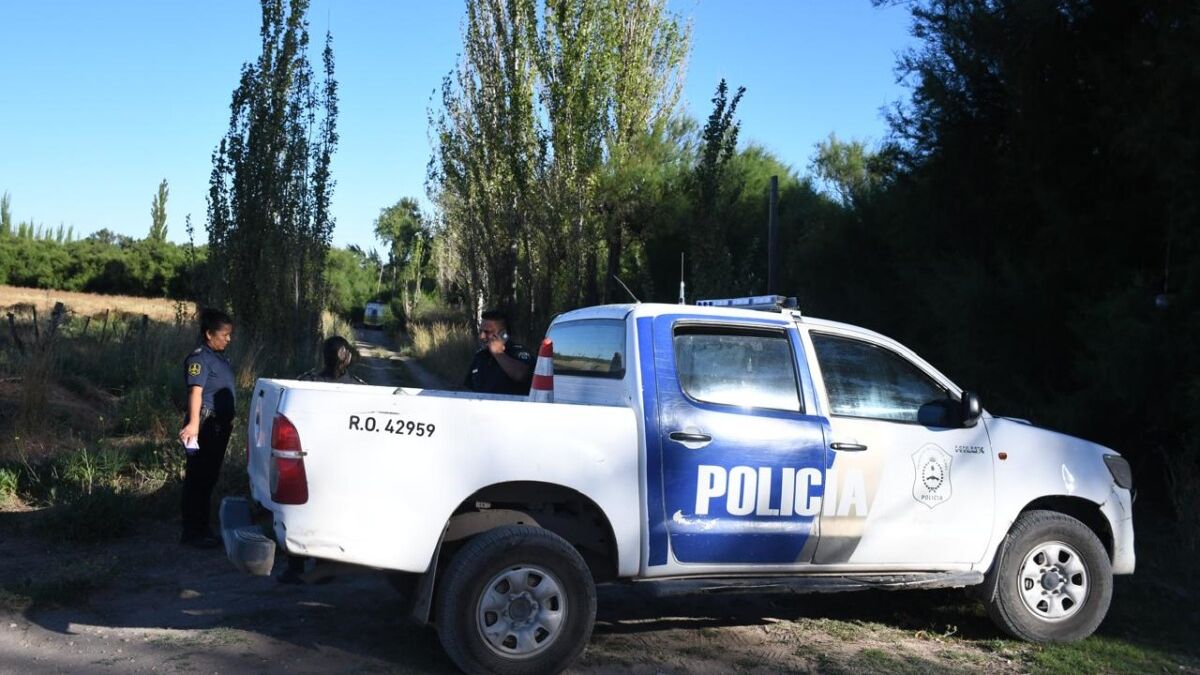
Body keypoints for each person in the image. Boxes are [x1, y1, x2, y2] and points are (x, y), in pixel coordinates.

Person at [276, 335, 364, 583]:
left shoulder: (308, 383)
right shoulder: (357, 388)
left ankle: (304, 565)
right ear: (347, 357)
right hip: (325, 462)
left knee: (308, 513)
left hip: (317, 461)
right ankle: (317, 565)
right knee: (321, 513)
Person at [178, 308, 236, 549]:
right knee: (198, 479)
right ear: (209, 334)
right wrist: (193, 425)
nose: (228, 339)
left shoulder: (219, 358)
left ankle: (202, 528)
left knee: (208, 478)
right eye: (224, 334)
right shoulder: (199, 359)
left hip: (218, 427)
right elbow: (195, 392)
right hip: (204, 426)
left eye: (230, 334)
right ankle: (192, 533)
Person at [463, 310, 533, 395]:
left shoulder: (517, 352)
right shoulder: (480, 356)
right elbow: (469, 391)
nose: (482, 336)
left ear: (503, 335)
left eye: (487, 332)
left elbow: (521, 375)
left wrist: (499, 354)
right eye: (480, 331)